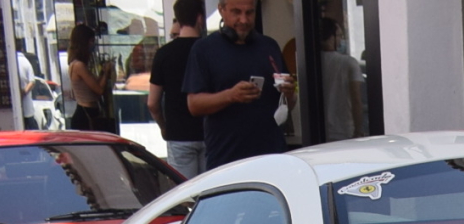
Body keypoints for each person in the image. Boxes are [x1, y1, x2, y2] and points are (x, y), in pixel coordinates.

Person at [184, 0, 290, 171]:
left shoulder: (270, 46)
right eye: (236, 12)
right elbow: (194, 105)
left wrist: (289, 94)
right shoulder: (204, 49)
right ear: (221, 10)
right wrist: (231, 96)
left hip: (271, 158)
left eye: (249, 13)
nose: (244, 20)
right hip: (226, 160)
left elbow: (287, 105)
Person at [148, 0, 206, 175]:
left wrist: (164, 126)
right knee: (213, 192)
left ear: (178, 21)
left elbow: (152, 103)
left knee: (184, 194)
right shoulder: (209, 50)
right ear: (200, 18)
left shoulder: (164, 54)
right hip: (209, 133)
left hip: (178, 134)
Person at [313, 16, 362, 142]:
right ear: (331, 37)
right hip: (344, 131)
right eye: (339, 35)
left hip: (318, 131)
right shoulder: (349, 63)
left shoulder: (311, 64)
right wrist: (359, 130)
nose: (341, 40)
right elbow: (356, 99)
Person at [62, 24, 115, 132]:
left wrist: (102, 73)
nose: (93, 44)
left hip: (90, 112)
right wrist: (106, 73)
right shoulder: (79, 66)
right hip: (85, 115)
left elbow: (93, 85)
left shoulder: (78, 65)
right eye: (91, 41)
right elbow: (99, 89)